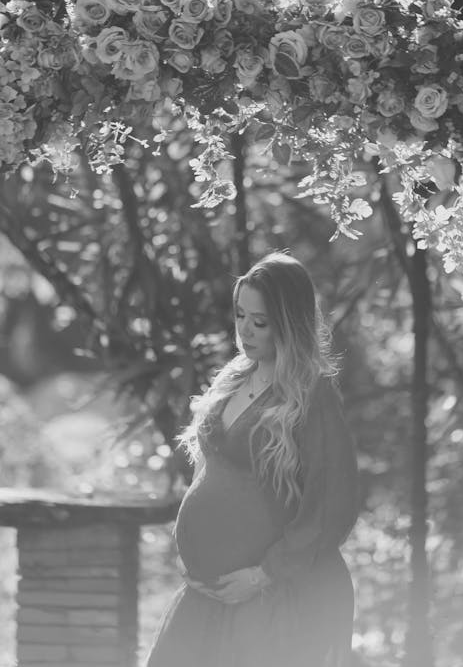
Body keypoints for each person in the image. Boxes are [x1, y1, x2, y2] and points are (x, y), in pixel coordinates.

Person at [145, 250, 359, 667]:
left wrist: (263, 574)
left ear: (289, 322)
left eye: (260, 321)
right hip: (209, 597)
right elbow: (213, 473)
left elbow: (332, 503)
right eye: (240, 315)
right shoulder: (235, 377)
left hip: (270, 597)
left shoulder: (312, 395)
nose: (245, 330)